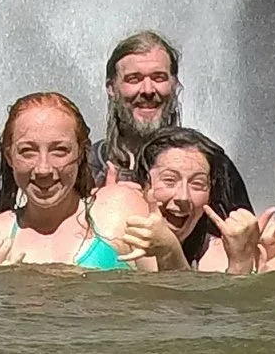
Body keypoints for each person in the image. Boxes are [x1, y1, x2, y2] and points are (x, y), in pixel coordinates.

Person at [0, 93, 159, 269]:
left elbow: (175, 299)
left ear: (82, 153)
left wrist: (169, 247)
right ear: (9, 157)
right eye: (27, 151)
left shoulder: (119, 210)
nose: (43, 169)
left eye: (59, 150)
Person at [93, 30, 252, 218]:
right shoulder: (88, 167)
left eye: (158, 78)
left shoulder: (213, 163)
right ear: (111, 88)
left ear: (175, 84)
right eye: (134, 79)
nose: (148, 90)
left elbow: (244, 237)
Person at [132, 127, 262, 275]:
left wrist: (241, 263)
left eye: (197, 184)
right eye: (169, 180)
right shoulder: (115, 228)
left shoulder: (218, 254)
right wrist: (169, 248)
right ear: (143, 185)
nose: (183, 197)